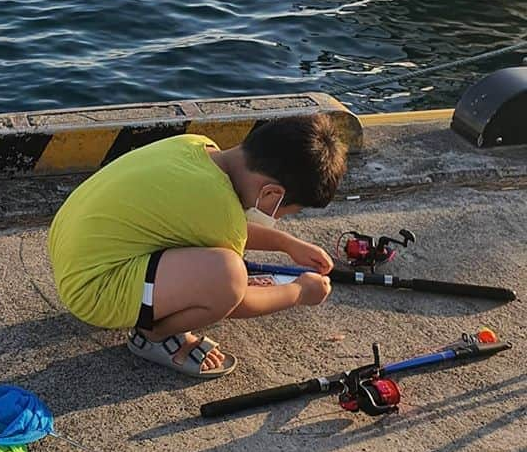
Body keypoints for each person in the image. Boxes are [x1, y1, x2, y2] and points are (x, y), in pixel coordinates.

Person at [47, 116, 348, 377]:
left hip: (71, 249)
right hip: (93, 293)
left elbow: (203, 223)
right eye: (285, 212)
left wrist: (286, 244)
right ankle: (155, 336)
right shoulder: (222, 213)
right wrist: (297, 293)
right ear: (271, 194)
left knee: (221, 269)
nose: (278, 219)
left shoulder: (196, 145)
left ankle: (153, 306)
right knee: (228, 277)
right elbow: (234, 298)